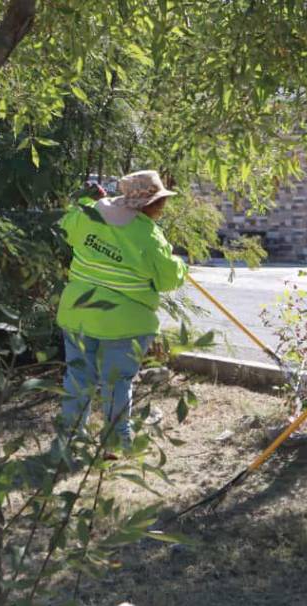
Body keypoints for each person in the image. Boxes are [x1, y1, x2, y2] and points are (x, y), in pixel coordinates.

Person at [56, 169, 187, 449]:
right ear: (152, 204)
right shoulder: (149, 235)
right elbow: (168, 280)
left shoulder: (90, 213)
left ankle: (69, 443)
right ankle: (115, 443)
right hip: (124, 323)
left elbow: (66, 228)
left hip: (77, 313)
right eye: (161, 202)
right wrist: (178, 263)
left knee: (78, 379)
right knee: (116, 383)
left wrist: (83, 203)